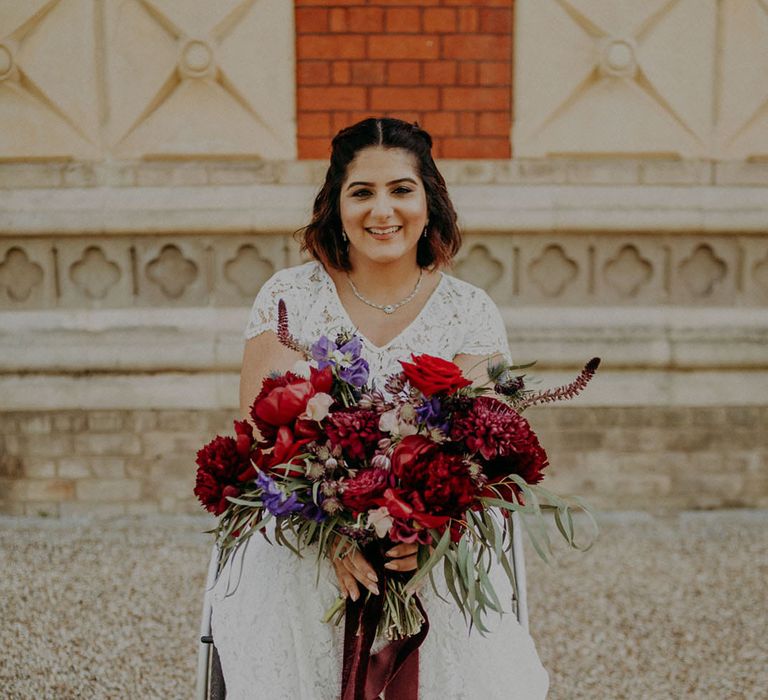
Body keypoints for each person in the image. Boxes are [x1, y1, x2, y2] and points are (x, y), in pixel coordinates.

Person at [210, 117, 549, 699]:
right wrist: (333, 536)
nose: (382, 210)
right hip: (306, 525)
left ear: (428, 201)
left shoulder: (469, 310)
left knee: (441, 587)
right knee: (291, 579)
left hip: (434, 540)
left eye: (400, 189)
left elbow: (479, 449)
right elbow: (264, 444)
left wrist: (419, 529)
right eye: (361, 192)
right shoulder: (289, 298)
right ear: (335, 207)